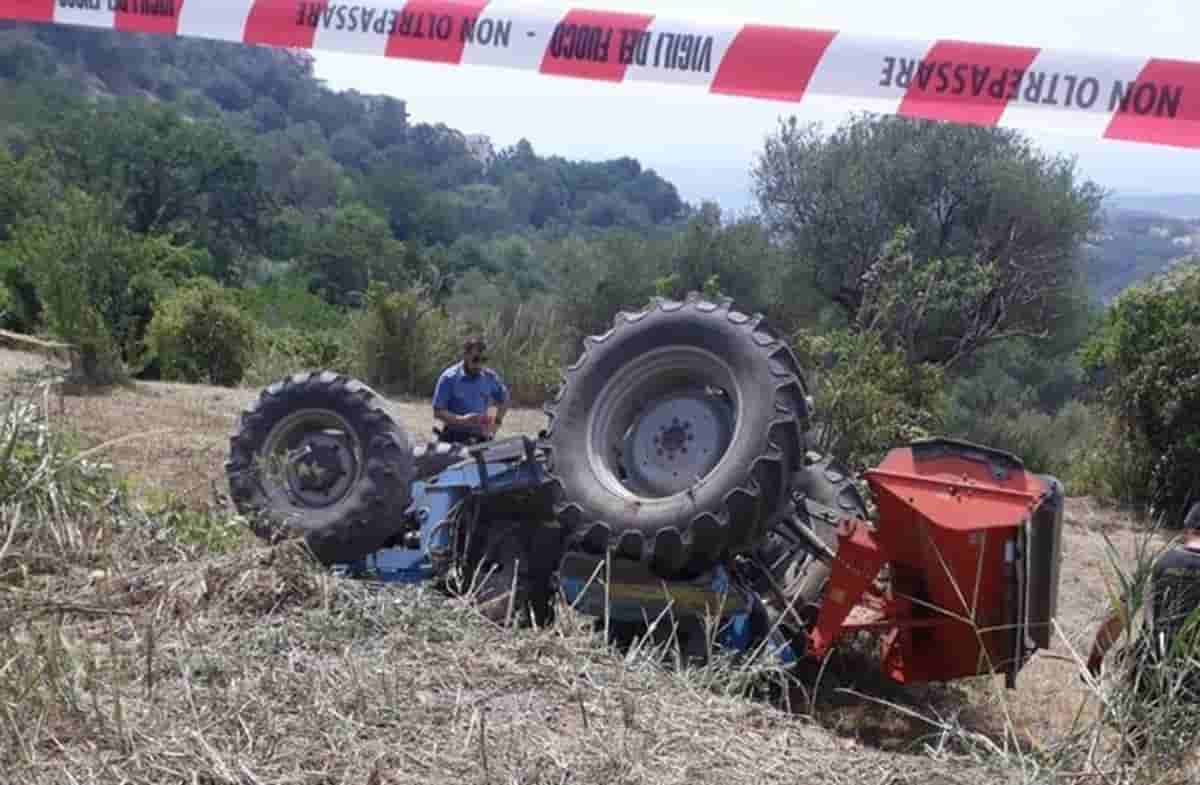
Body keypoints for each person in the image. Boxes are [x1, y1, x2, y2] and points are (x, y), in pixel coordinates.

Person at [1085, 501, 1200, 756]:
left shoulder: (1159, 563)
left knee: (1134, 750)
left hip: (1149, 669)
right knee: (1178, 757)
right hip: (1194, 681)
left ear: (1187, 528)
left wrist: (1095, 658)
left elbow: (1118, 616)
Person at [432, 337, 509, 445]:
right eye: (475, 359)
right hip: (453, 437)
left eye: (484, 360)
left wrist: (496, 424)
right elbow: (438, 412)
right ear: (465, 355)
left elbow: (504, 400)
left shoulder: (490, 377)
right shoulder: (449, 378)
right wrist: (462, 420)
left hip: (481, 438)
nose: (479, 364)